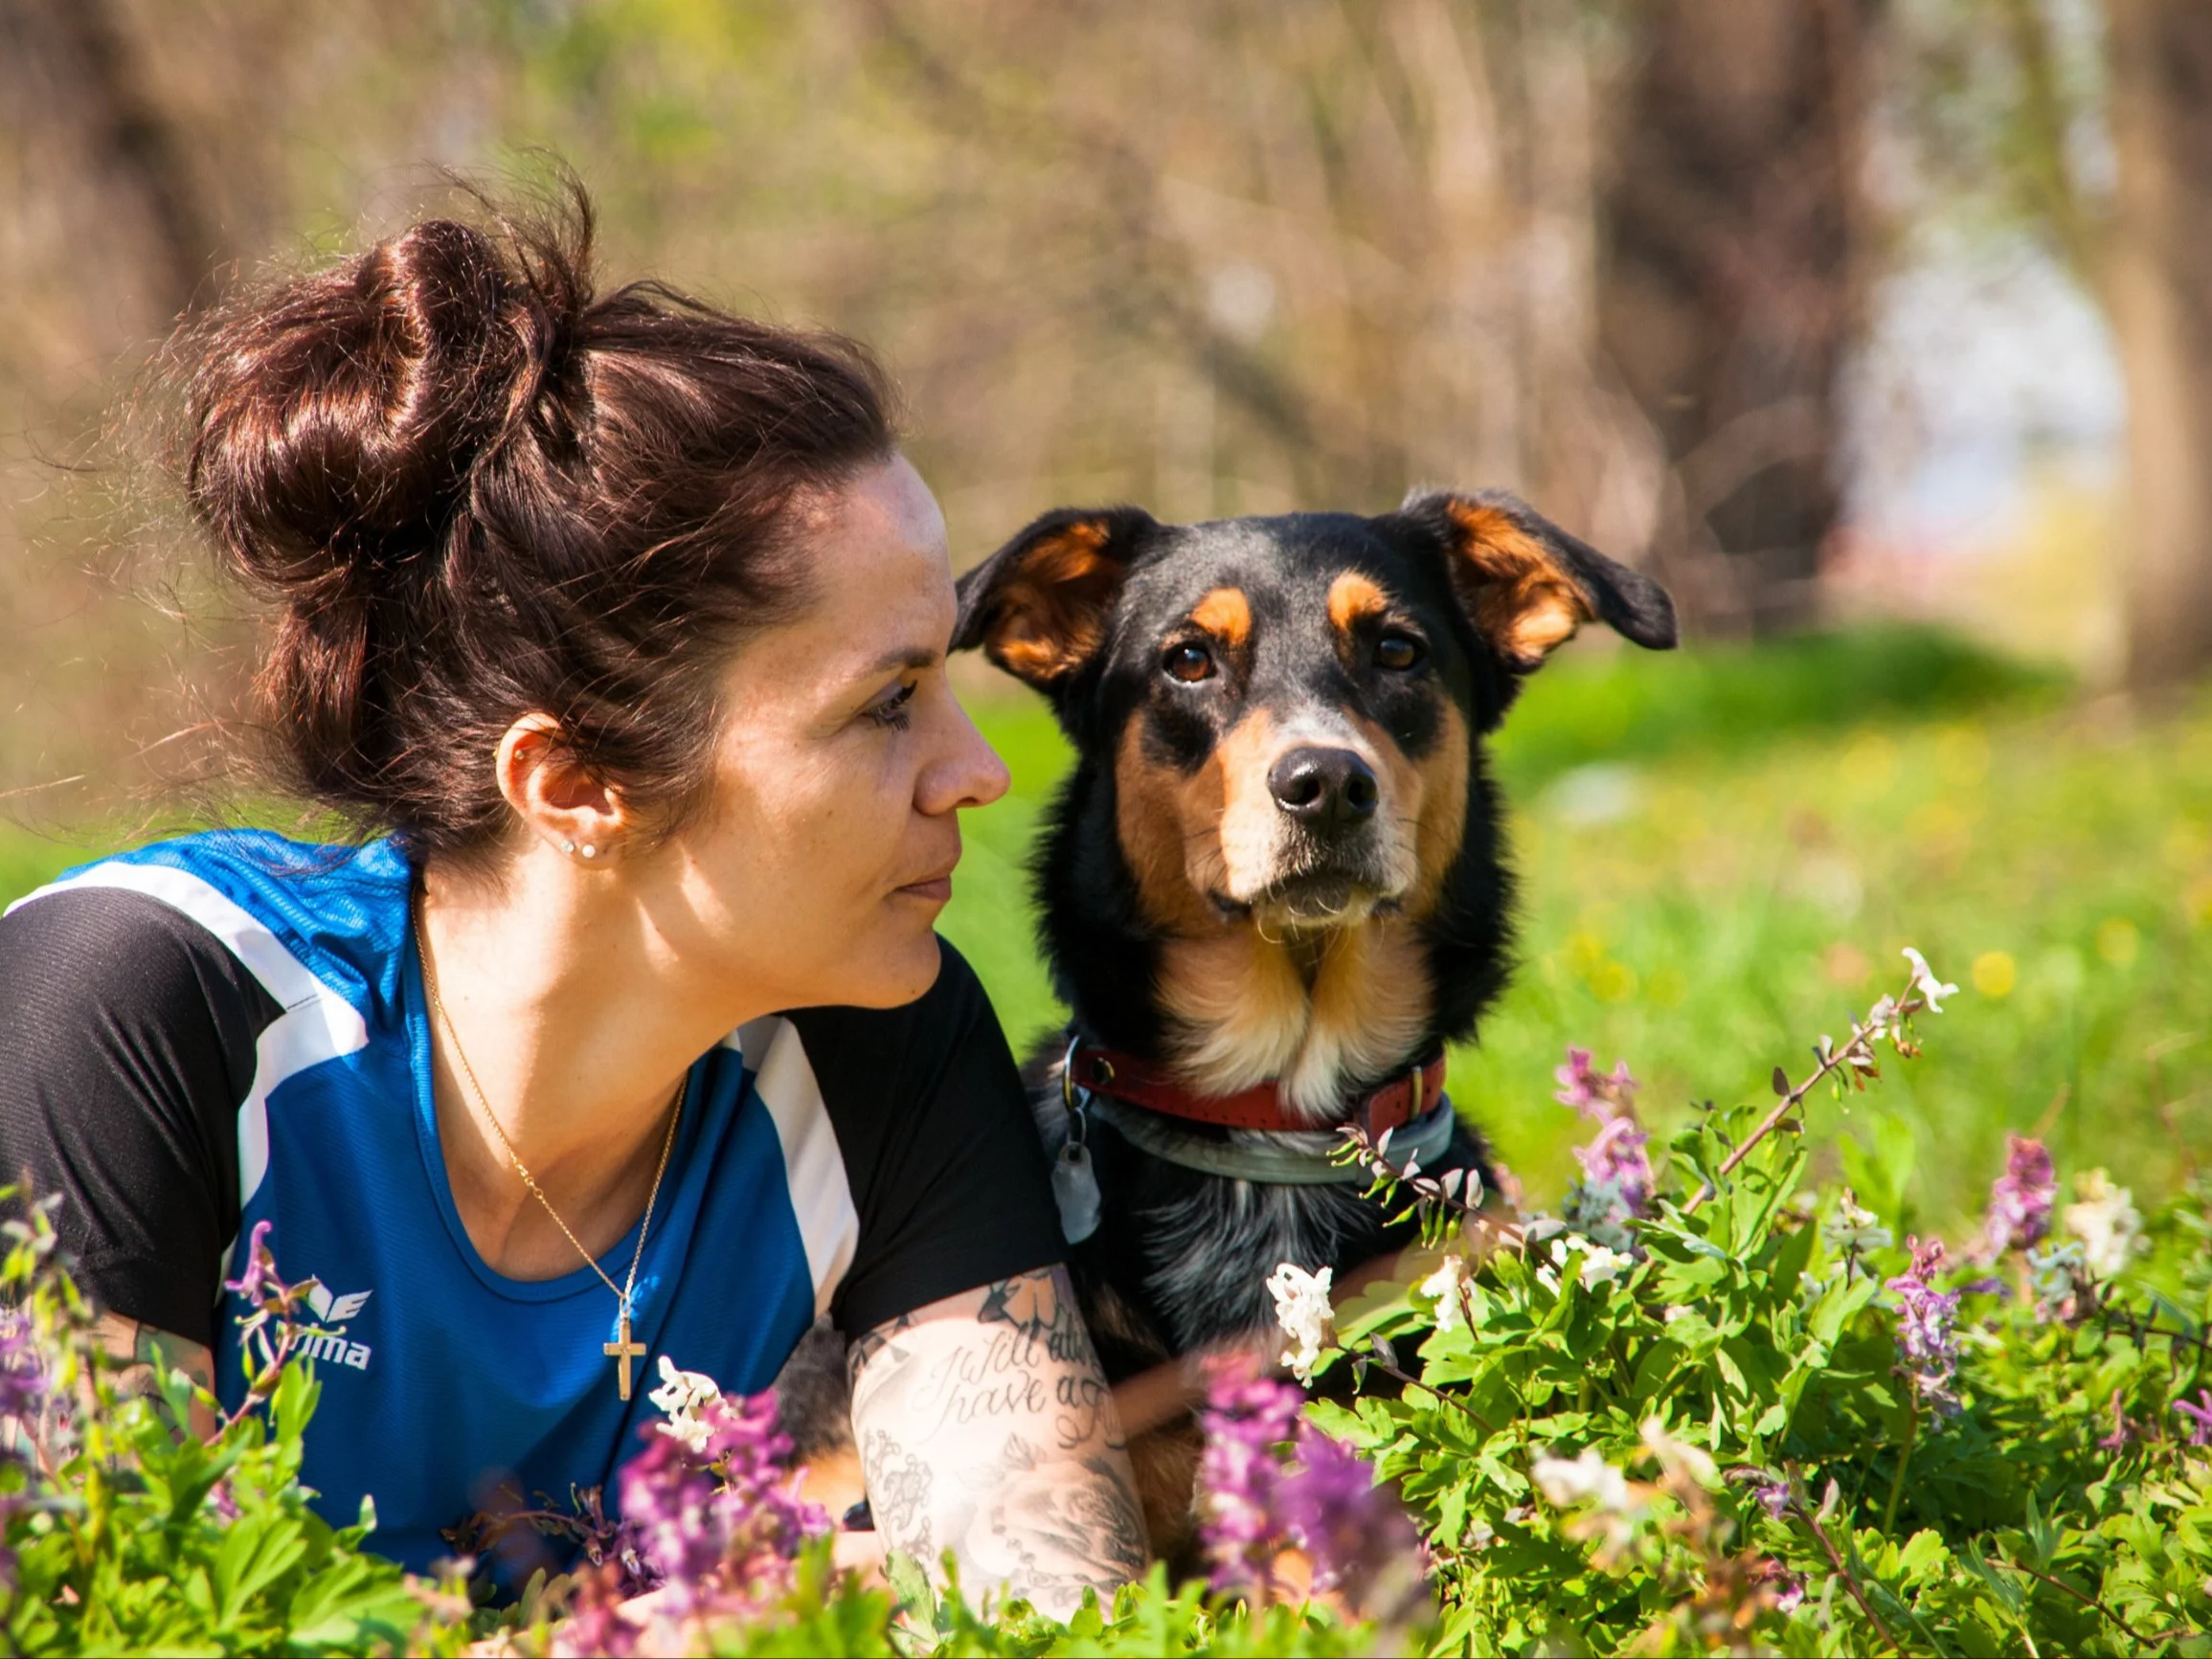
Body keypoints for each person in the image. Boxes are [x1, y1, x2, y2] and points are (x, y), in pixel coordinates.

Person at [0, 190, 1145, 1612]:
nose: (975, 775)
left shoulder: (879, 1046)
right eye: (887, 704)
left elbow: (1051, 1620)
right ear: (578, 780)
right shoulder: (124, 1008)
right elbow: (81, 1620)